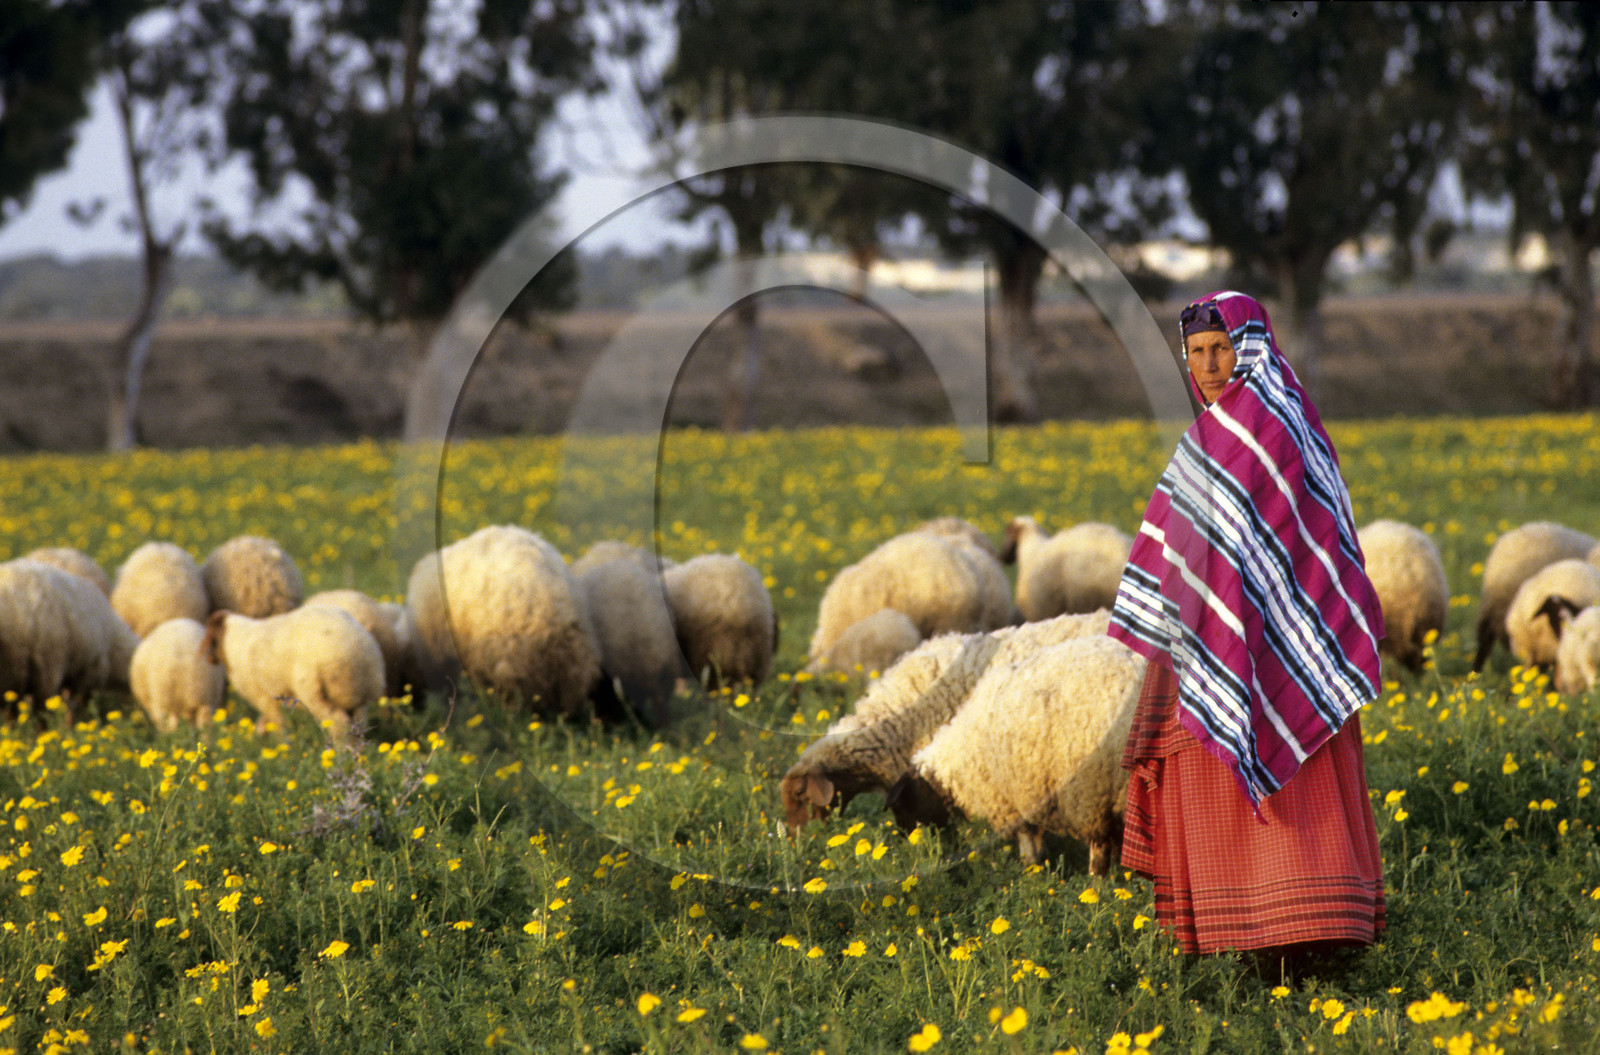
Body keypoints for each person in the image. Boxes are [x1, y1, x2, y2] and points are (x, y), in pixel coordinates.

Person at [1106, 291, 1387, 968]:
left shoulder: (1281, 424)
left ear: (1250, 348)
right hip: (1209, 642)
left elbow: (1313, 541)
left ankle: (1306, 933)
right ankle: (1239, 936)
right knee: (1205, 776)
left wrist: (1258, 617)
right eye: (1195, 352)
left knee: (1293, 792)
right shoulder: (1206, 436)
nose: (1207, 365)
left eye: (1220, 348)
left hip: (1290, 650)